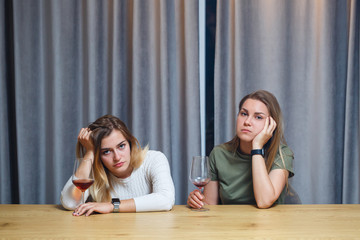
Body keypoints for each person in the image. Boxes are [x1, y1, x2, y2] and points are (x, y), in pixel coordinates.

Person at [187, 90, 294, 209]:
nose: (247, 122)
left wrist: (257, 147)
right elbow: (210, 206)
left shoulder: (282, 154)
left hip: (269, 226)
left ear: (271, 124)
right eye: (244, 114)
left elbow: (264, 201)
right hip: (229, 225)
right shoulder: (219, 154)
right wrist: (196, 202)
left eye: (258, 117)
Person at [61, 115, 175, 216]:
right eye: (106, 151)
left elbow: (165, 199)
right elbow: (70, 203)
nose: (117, 157)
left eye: (121, 146)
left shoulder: (153, 159)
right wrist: (90, 153)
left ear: (130, 143)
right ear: (98, 155)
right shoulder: (94, 170)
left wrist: (112, 206)